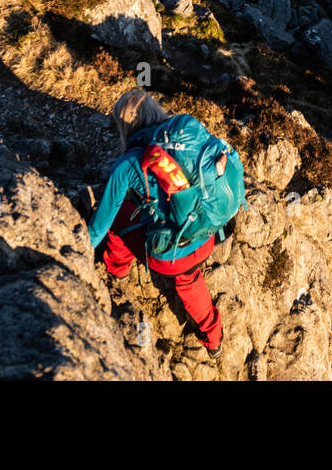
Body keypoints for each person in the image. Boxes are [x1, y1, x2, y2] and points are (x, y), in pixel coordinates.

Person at [88, 89, 228, 358]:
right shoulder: (184, 142)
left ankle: (118, 270)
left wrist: (75, 254)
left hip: (173, 256)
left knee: (117, 217)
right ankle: (213, 339)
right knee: (190, 282)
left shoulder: (128, 164)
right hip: (207, 233)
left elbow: (99, 227)